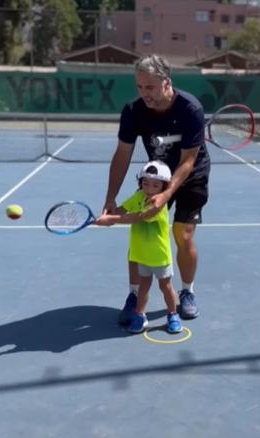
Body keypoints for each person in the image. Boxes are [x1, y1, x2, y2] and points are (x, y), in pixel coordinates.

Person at [102, 54, 211, 324]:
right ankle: (134, 294)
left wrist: (166, 194)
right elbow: (122, 154)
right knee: (139, 234)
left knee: (182, 235)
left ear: (166, 83)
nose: (144, 94)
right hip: (156, 176)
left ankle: (187, 292)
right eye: (139, 87)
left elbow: (188, 161)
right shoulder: (133, 111)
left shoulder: (190, 109)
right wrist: (110, 198)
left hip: (192, 175)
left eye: (149, 87)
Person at [96, 162, 181, 334]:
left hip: (159, 255)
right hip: (142, 254)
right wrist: (108, 215)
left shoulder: (159, 204)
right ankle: (140, 316)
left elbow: (137, 217)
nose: (149, 188)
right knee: (143, 287)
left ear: (163, 186)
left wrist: (112, 220)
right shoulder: (139, 195)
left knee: (166, 287)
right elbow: (123, 209)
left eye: (156, 185)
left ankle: (173, 314)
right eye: (146, 183)